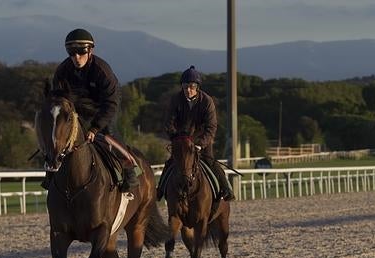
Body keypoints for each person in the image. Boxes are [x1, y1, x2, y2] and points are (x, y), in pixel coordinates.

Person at [42, 28, 138, 192]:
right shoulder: (62, 71)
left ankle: (130, 171)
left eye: (81, 52)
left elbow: (111, 103)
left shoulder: (102, 70)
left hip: (104, 106)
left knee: (109, 133)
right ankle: (50, 172)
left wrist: (95, 127)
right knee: (58, 133)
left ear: (90, 50)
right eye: (72, 53)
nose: (77, 57)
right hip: (77, 109)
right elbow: (59, 100)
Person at [157, 65, 235, 201]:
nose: (188, 90)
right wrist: (176, 138)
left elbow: (211, 127)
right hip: (181, 139)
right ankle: (160, 190)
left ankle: (226, 188)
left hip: (201, 140)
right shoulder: (176, 99)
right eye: (185, 86)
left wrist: (200, 143)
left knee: (211, 162)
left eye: (191, 87)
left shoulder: (207, 101)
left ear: (197, 87)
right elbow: (168, 123)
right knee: (170, 163)